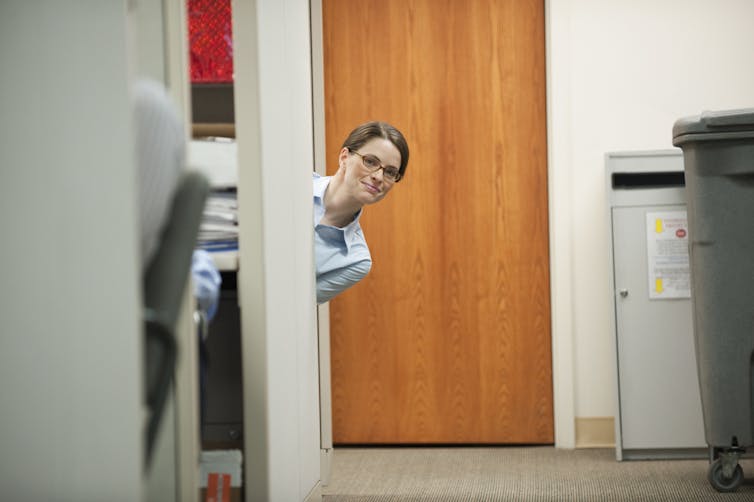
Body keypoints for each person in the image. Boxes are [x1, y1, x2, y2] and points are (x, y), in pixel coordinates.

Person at [314, 121, 409, 304]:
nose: (378, 176)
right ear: (344, 157)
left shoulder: (355, 261)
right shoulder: (295, 183)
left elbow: (296, 307)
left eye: (390, 172)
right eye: (370, 161)